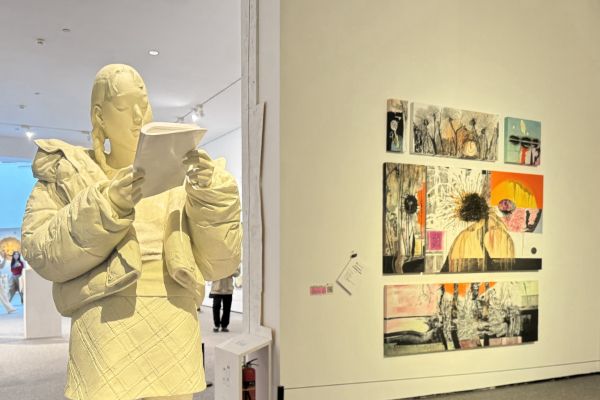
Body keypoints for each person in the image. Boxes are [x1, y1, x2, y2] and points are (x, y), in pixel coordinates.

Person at [21, 64, 242, 400]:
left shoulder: (181, 178)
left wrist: (211, 197)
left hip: (174, 324)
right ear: (100, 116)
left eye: (144, 104)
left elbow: (221, 261)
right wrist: (106, 205)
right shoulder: (69, 174)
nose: (139, 116)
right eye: (125, 107)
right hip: (105, 328)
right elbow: (41, 252)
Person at [210, 266, 240, 332]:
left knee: (227, 308)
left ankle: (224, 326)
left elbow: (238, 272)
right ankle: (216, 325)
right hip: (216, 289)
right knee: (216, 306)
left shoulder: (232, 261)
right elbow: (210, 272)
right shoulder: (215, 261)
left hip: (228, 289)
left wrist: (230, 272)